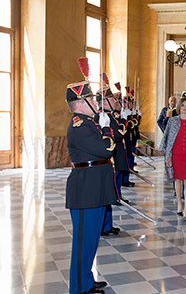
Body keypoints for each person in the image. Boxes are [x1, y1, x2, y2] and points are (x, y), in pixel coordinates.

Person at [65, 74, 116, 294]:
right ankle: (78, 287)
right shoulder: (80, 126)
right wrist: (106, 129)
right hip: (86, 189)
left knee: (92, 239)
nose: (96, 103)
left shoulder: (88, 123)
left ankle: (87, 278)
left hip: (94, 187)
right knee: (83, 243)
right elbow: (107, 149)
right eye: (91, 100)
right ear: (79, 104)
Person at [159, 98, 186, 220]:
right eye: (182, 105)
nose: (184, 107)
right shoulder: (172, 121)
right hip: (176, 155)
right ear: (179, 107)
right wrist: (167, 155)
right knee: (177, 181)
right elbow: (167, 138)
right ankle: (179, 203)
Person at [96, 86, 124, 237]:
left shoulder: (110, 116)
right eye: (112, 99)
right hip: (104, 160)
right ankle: (104, 226)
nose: (115, 101)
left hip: (108, 162)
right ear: (105, 102)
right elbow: (119, 134)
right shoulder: (101, 117)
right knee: (105, 195)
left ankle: (108, 224)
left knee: (108, 194)